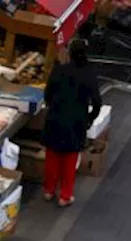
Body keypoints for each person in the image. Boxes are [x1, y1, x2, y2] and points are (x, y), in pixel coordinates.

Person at [43, 39, 103, 208]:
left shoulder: (59, 70)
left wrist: (51, 106)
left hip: (55, 118)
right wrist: (90, 118)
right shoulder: (89, 74)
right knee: (70, 160)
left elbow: (48, 93)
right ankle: (65, 195)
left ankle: (48, 190)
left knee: (52, 157)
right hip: (77, 122)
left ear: (70, 54)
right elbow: (97, 101)